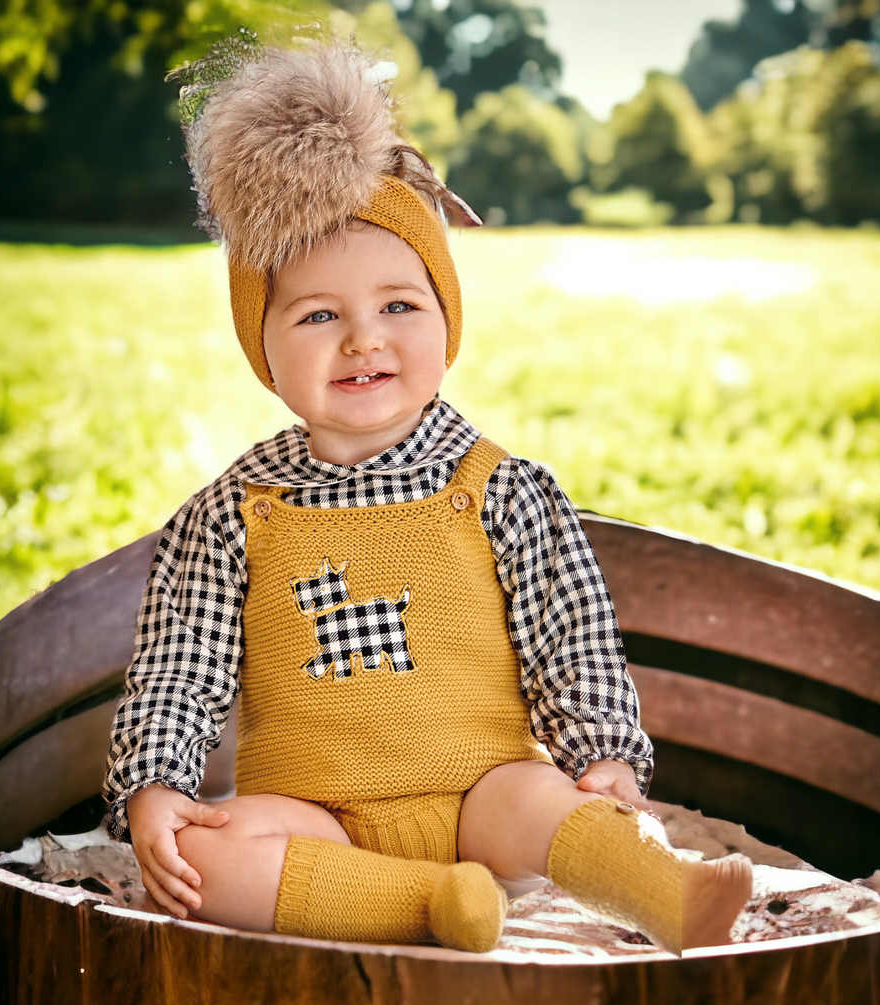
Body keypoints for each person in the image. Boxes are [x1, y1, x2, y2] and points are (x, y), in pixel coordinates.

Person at [103, 40, 752, 955]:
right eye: (319, 315)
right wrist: (157, 784)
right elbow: (181, 668)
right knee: (212, 861)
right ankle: (427, 903)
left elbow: (571, 636)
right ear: (265, 350)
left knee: (546, 802)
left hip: (483, 799)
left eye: (400, 306)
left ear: (448, 320)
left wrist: (602, 755)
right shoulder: (231, 514)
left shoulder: (500, 490)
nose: (364, 339)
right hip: (317, 818)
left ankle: (663, 892)